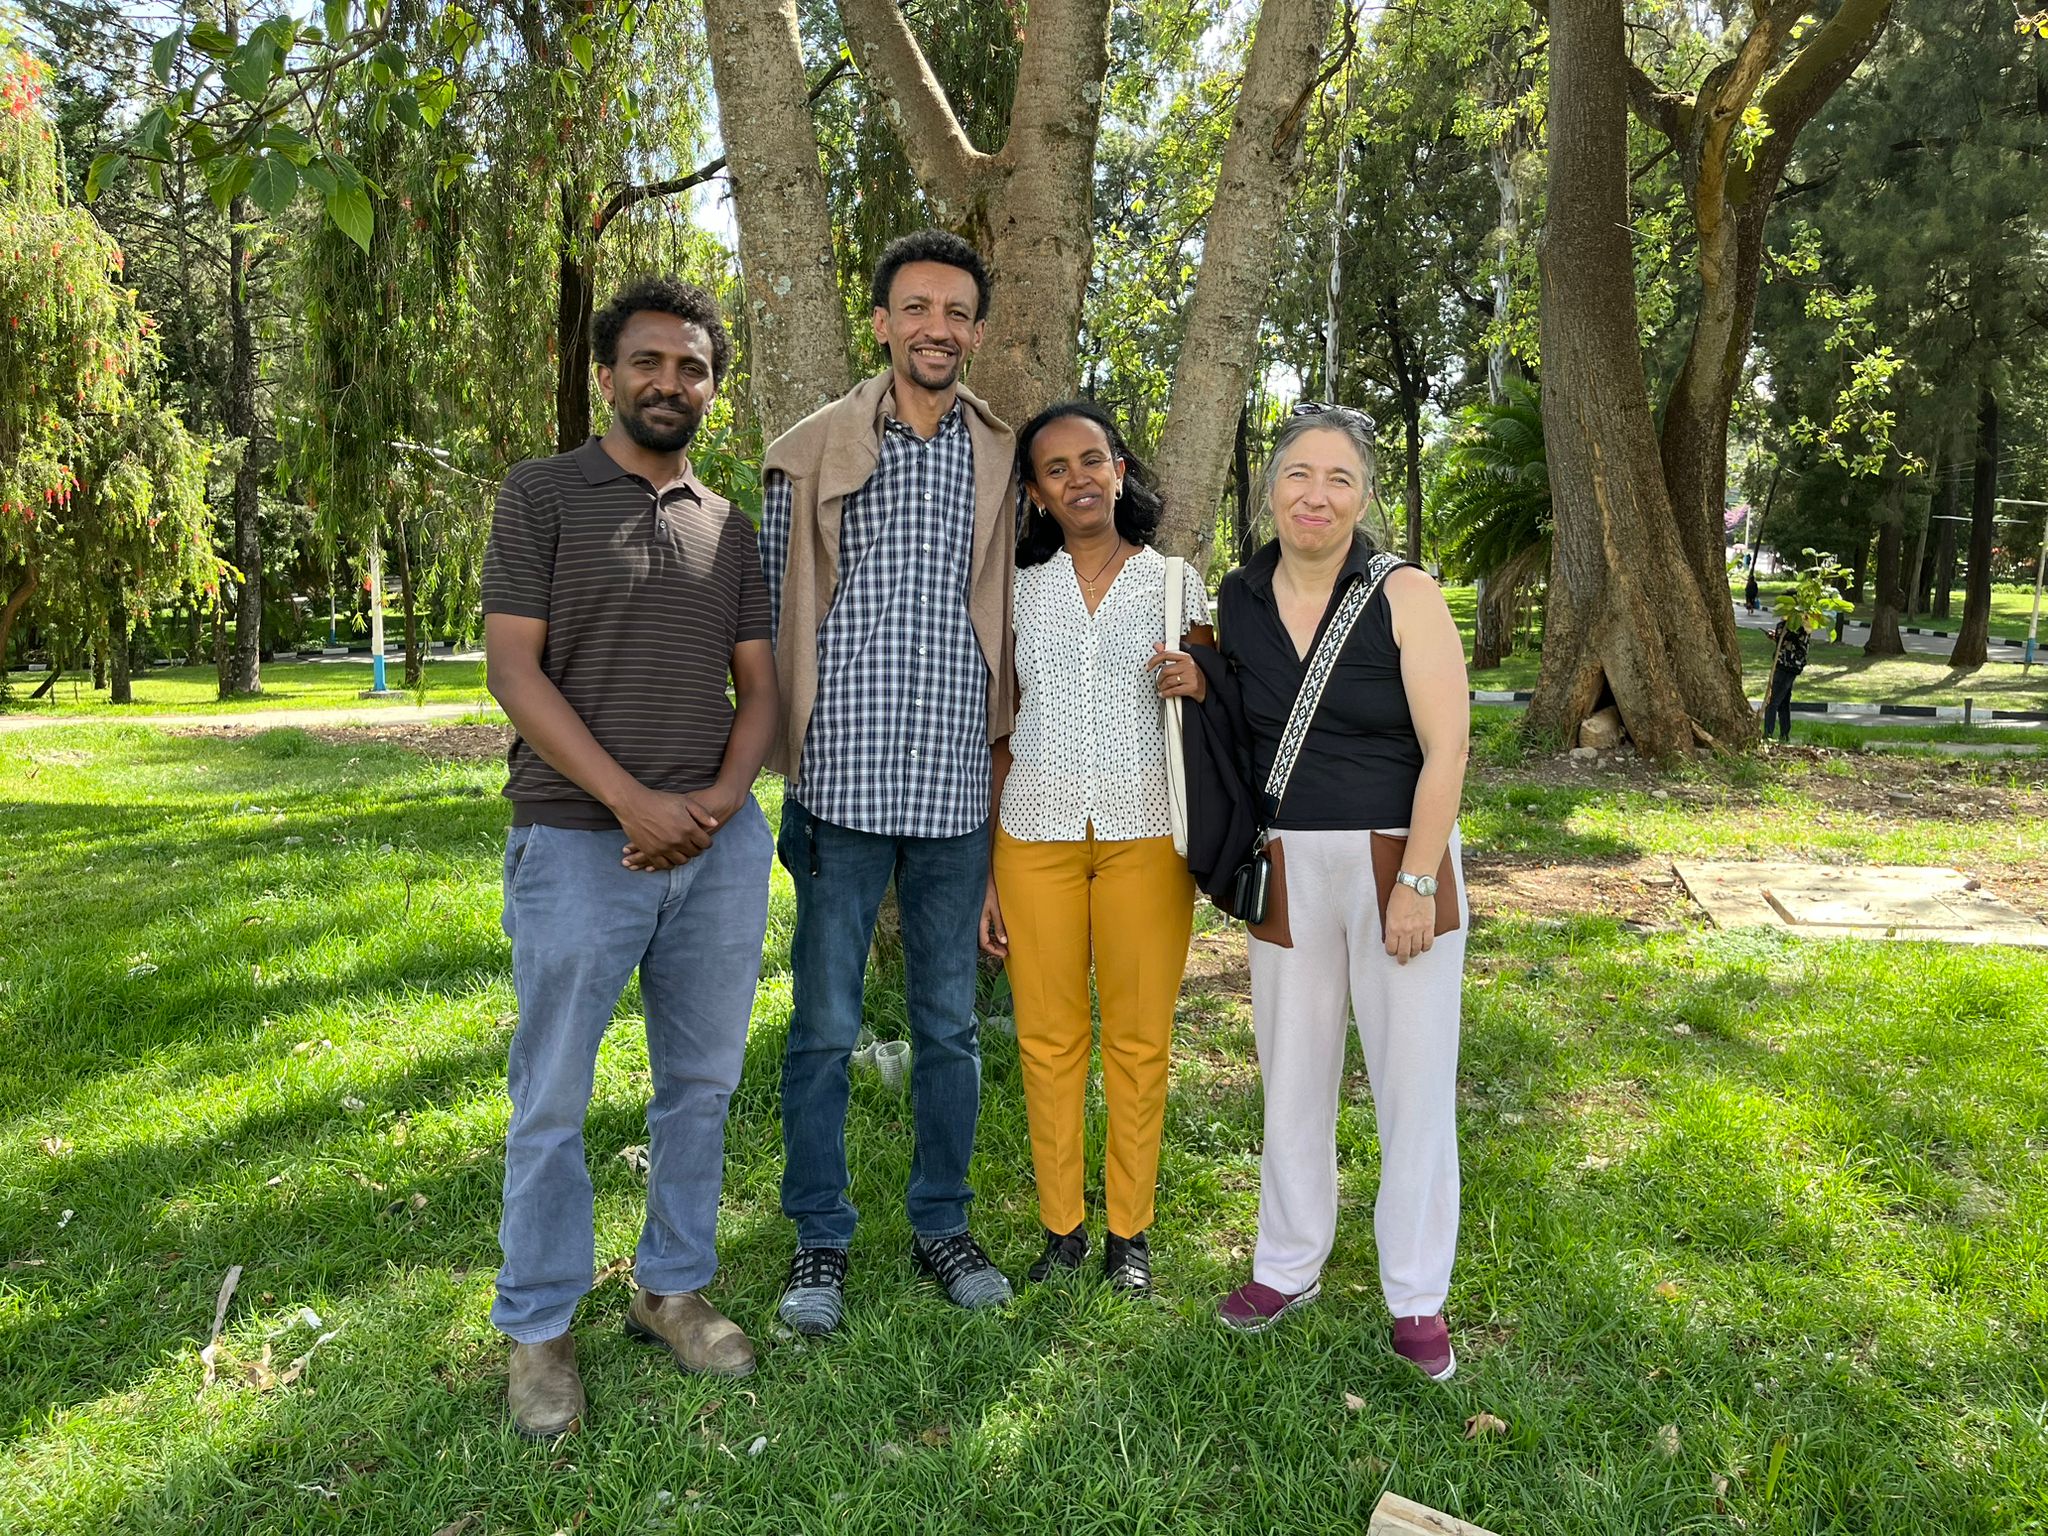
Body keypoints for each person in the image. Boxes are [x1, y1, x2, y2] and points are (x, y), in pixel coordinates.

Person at [482, 277, 778, 1438]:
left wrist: (709, 803)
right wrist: (629, 804)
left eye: (692, 368)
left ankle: (672, 1287)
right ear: (608, 374)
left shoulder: (729, 523)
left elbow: (758, 688)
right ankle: (539, 1326)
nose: (670, 384)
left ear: (712, 384)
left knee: (698, 1086)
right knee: (550, 1097)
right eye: (648, 363)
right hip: (571, 839)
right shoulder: (542, 495)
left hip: (715, 845)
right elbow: (513, 671)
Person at [1162, 405, 1471, 1381]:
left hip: (1397, 853)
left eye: (1339, 477)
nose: (1316, 494)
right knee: (1290, 1072)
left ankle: (1415, 1295)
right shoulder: (1240, 594)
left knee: (1409, 1083)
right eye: (1298, 473)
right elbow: (1250, 720)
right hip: (1289, 859)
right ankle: (1285, 1265)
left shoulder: (1402, 589)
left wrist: (1417, 879)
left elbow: (1448, 746)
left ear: (1363, 495)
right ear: (1269, 487)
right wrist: (1203, 685)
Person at [758, 230, 1019, 1333]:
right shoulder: (811, 450)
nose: (936, 328)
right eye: (915, 307)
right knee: (821, 1026)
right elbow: (769, 610)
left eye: (956, 311)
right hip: (841, 786)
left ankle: (941, 1224)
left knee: (950, 1029)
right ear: (880, 322)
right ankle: (818, 1239)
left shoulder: (1000, 457)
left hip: (957, 793)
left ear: (974, 329)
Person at [978, 401, 1211, 1295]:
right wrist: (987, 873)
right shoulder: (1013, 592)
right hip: (1032, 832)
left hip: (1146, 834)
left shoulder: (1173, 583)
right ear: (1035, 493)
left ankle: (1129, 1235)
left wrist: (1198, 676)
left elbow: (1208, 708)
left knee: (1140, 1039)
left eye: (1092, 459)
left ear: (1120, 469)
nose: (1078, 478)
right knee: (1047, 1038)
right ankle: (1062, 1229)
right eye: (1055, 469)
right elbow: (999, 731)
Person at [1765, 609, 1809, 743]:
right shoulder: (1805, 622)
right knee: (1783, 702)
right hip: (1793, 666)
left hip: (1786, 665)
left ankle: (1768, 734)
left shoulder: (1796, 623)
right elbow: (1786, 639)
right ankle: (1784, 735)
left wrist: (1777, 634)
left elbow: (1785, 633)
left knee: (1772, 702)